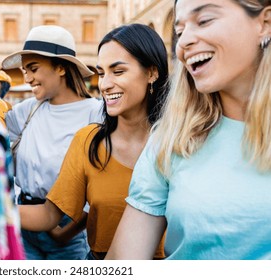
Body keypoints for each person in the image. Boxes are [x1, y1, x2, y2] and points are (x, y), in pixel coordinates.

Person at [106, 0, 271, 260]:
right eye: (179, 32)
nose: (183, 44)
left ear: (265, 23)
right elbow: (124, 263)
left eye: (204, 20)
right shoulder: (171, 141)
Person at [18, 24, 169, 260]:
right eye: (101, 73)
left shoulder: (180, 145)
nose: (105, 84)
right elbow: (49, 215)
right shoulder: (87, 141)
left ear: (152, 73)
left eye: (117, 71)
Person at [0, 25, 102, 260]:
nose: (28, 77)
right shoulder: (28, 110)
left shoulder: (95, 112)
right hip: (23, 221)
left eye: (33, 69)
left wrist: (65, 232)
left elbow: (100, 184)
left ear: (61, 67)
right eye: (25, 70)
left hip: (66, 232)